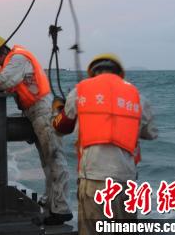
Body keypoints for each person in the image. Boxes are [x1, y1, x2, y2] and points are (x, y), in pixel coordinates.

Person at [51, 53, 158, 235]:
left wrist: (57, 109)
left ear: (93, 72)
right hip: (127, 182)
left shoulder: (80, 91)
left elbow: (61, 127)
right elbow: (150, 133)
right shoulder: (137, 96)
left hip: (95, 180)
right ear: (119, 73)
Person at [0, 35, 73, 225]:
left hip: (43, 112)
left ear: (0, 51)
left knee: (54, 160)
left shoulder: (18, 59)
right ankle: (51, 204)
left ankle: (61, 210)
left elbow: (4, 81)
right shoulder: (8, 63)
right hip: (33, 113)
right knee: (47, 162)